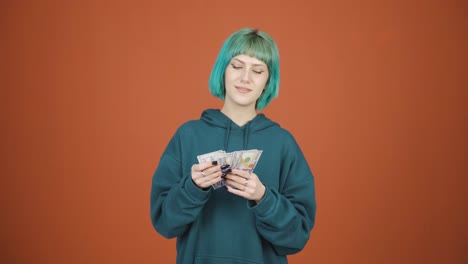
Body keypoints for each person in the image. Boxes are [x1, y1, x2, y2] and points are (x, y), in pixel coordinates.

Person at [150, 27, 316, 264]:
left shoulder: (283, 144)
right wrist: (193, 187)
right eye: (237, 66)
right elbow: (165, 223)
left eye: (257, 70)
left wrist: (263, 197)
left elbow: (297, 237)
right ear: (223, 71)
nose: (245, 78)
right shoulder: (188, 136)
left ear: (268, 82)